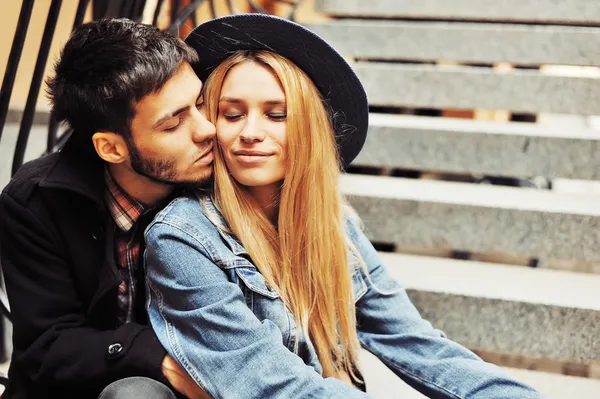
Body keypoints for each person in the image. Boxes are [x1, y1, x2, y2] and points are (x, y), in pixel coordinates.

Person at [144, 14, 544, 399]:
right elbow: (273, 386)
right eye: (232, 114)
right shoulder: (182, 238)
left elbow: (421, 346)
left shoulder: (335, 228)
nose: (250, 133)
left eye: (276, 114)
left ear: (307, 126)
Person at [0, 18, 215, 398]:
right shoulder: (37, 201)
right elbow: (47, 347)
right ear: (111, 148)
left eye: (200, 105)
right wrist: (158, 356)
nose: (207, 130)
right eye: (173, 124)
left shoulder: (221, 179)